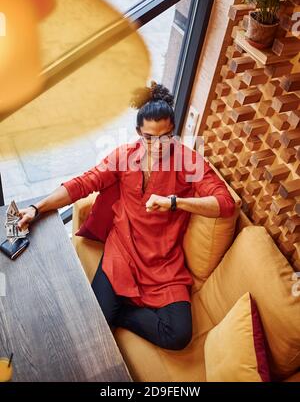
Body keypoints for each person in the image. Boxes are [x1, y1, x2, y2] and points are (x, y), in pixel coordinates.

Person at [17, 83, 237, 351]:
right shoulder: (124, 156)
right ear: (138, 133)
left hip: (164, 262)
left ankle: (120, 311)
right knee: (96, 325)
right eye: (149, 138)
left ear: (174, 132)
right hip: (122, 251)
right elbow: (83, 183)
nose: (157, 146)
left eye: (165, 137)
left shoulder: (187, 161)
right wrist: (37, 208)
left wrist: (175, 202)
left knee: (178, 335)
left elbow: (226, 203)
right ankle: (115, 306)